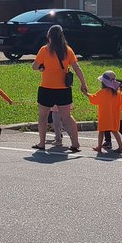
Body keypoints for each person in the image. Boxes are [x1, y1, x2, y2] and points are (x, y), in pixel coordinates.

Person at [32, 24, 88, 152]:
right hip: (63, 88)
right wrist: (83, 83)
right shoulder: (67, 50)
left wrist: (41, 67)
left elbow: (34, 66)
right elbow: (77, 68)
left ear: (49, 37)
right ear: (62, 36)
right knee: (67, 117)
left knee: (43, 116)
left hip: (46, 88)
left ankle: (42, 143)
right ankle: (75, 143)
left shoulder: (44, 50)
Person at [89, 70, 122, 154]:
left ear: (103, 83)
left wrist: (86, 93)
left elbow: (94, 99)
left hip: (104, 115)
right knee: (114, 131)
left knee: (101, 131)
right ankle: (121, 146)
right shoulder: (117, 93)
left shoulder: (102, 92)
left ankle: (99, 147)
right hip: (114, 116)